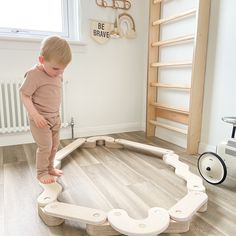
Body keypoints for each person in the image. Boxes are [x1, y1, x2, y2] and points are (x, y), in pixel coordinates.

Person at [20, 35, 72, 184]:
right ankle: (41, 172)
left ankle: (49, 168)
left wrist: (57, 115)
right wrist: (34, 115)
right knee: (45, 146)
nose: (60, 73)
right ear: (42, 60)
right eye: (56, 68)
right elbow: (24, 94)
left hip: (55, 117)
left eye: (63, 69)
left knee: (55, 145)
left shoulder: (57, 73)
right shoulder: (34, 74)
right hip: (40, 119)